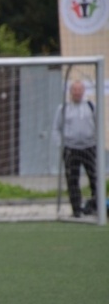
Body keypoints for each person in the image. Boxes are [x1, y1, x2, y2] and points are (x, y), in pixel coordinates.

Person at [53, 80, 97, 217]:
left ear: (83, 91)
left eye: (79, 90)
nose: (77, 92)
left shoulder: (91, 106)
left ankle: (95, 206)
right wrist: (62, 145)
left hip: (89, 147)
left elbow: (99, 125)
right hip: (71, 148)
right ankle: (76, 209)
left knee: (95, 178)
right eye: (74, 90)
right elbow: (56, 128)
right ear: (70, 92)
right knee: (72, 179)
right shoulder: (63, 108)